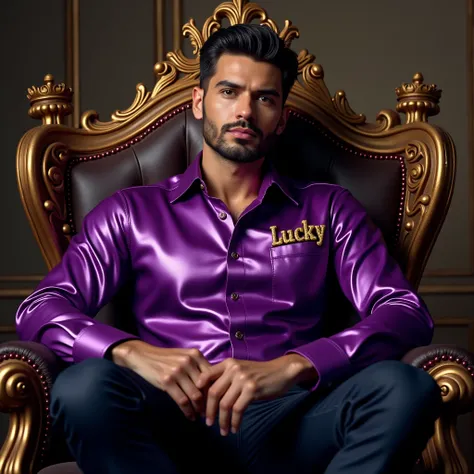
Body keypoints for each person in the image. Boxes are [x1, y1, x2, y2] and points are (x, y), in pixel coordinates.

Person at [16, 23, 442, 474]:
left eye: (264, 97)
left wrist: (294, 365)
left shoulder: (328, 208)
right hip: (168, 425)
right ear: (200, 102)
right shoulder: (130, 212)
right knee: (83, 388)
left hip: (294, 422)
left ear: (281, 117)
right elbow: (40, 307)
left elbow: (406, 311)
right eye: (229, 91)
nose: (245, 111)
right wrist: (130, 351)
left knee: (406, 388)